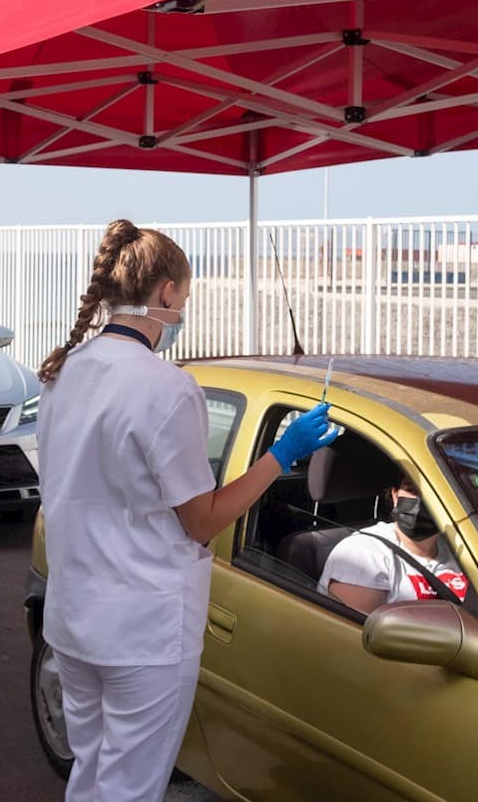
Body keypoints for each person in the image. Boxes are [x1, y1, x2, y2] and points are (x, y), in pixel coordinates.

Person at [37, 218, 338, 802]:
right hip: (141, 631)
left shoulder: (62, 371)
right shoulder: (167, 388)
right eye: (186, 296)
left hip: (74, 619)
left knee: (91, 775)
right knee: (128, 789)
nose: (183, 309)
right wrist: (284, 452)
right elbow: (202, 519)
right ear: (166, 293)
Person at [319, 472, 470, 611]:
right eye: (412, 490)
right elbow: (356, 633)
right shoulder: (361, 552)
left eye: (433, 492)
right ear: (395, 495)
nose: (421, 501)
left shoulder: (464, 549)